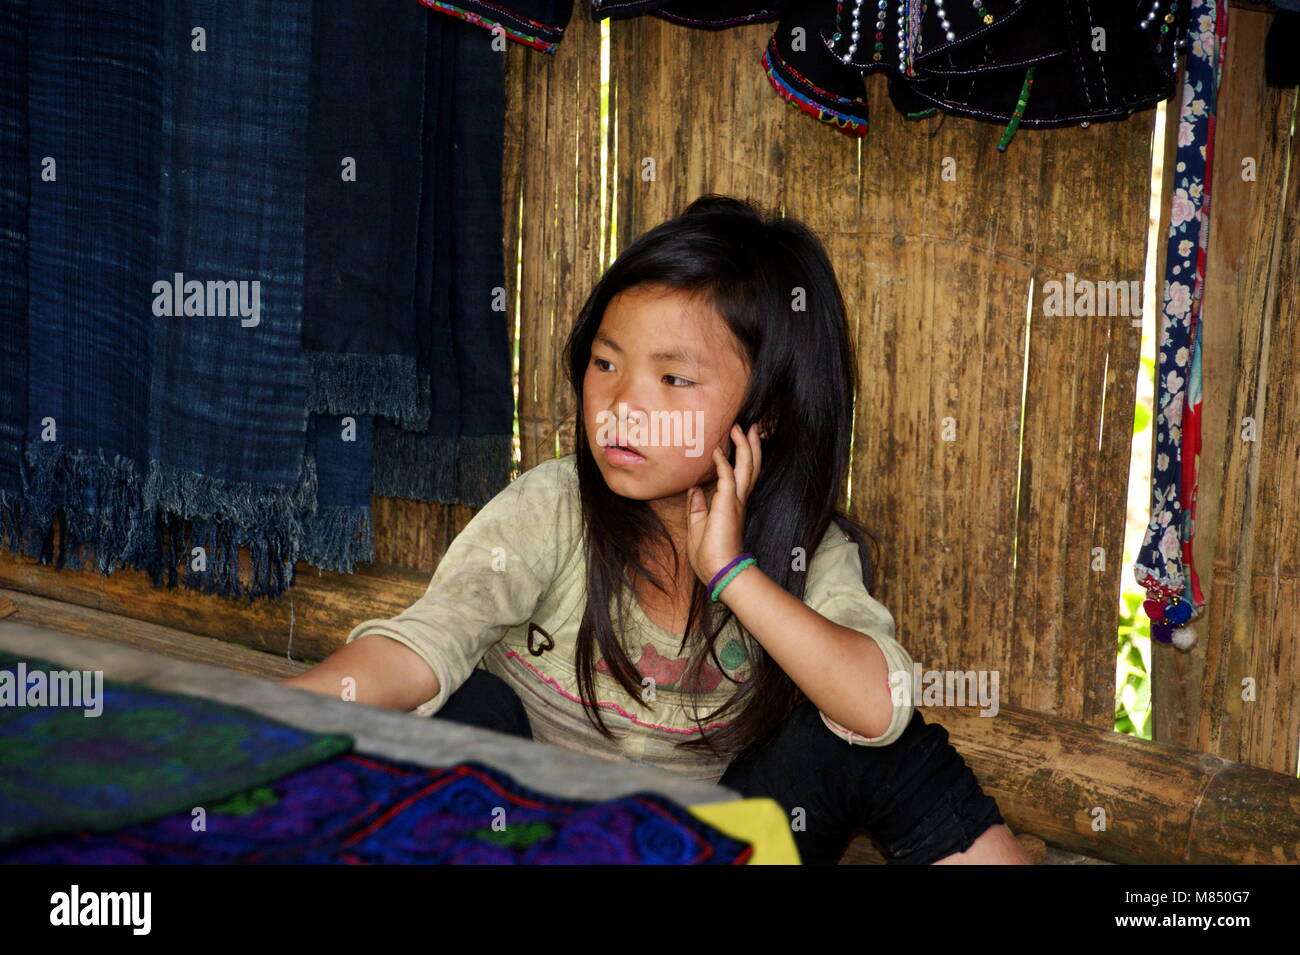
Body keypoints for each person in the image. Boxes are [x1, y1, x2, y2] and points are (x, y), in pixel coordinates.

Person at [283, 194, 1030, 865]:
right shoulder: (552, 508)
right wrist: (259, 727)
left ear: (763, 414)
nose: (622, 403)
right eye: (606, 363)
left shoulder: (805, 552)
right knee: (466, 711)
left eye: (673, 379)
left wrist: (734, 573)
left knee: (870, 746)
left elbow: (879, 704)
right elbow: (420, 648)